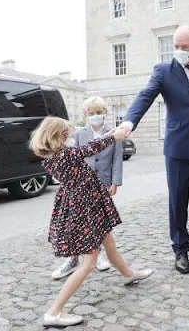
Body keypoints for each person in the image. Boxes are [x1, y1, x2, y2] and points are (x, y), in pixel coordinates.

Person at [120, 25, 189, 274]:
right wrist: (129, 122)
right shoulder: (164, 70)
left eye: (185, 47)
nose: (180, 51)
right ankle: (180, 249)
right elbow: (145, 95)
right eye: (176, 47)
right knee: (178, 199)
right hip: (179, 146)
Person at [30, 117, 153, 327]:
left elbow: (88, 146)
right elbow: (90, 148)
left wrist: (110, 134)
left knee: (109, 244)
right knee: (88, 264)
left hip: (89, 208)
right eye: (68, 135)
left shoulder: (58, 155)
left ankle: (128, 274)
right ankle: (55, 311)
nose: (71, 139)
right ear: (59, 136)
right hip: (84, 212)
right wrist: (113, 136)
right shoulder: (64, 157)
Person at [51, 97, 124, 280]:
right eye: (91, 113)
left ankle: (96, 253)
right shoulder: (78, 134)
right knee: (78, 222)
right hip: (81, 185)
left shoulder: (113, 132)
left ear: (105, 113)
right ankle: (74, 258)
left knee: (98, 220)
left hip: (103, 182)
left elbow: (117, 159)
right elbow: (75, 156)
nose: (95, 116)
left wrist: (115, 181)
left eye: (98, 112)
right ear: (86, 115)